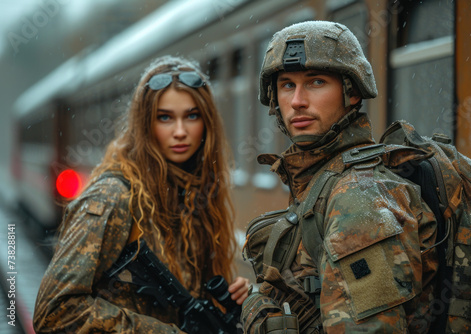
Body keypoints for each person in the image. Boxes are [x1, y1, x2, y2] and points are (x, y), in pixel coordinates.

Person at [241, 21, 439, 333]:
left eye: (316, 82)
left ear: (352, 93)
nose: (297, 101)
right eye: (287, 85)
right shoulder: (323, 178)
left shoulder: (359, 197)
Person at [34, 55, 249, 333]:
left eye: (192, 116)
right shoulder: (112, 197)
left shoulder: (195, 195)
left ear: (207, 122)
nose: (181, 132)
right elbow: (53, 312)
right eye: (165, 118)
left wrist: (225, 302)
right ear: (145, 124)